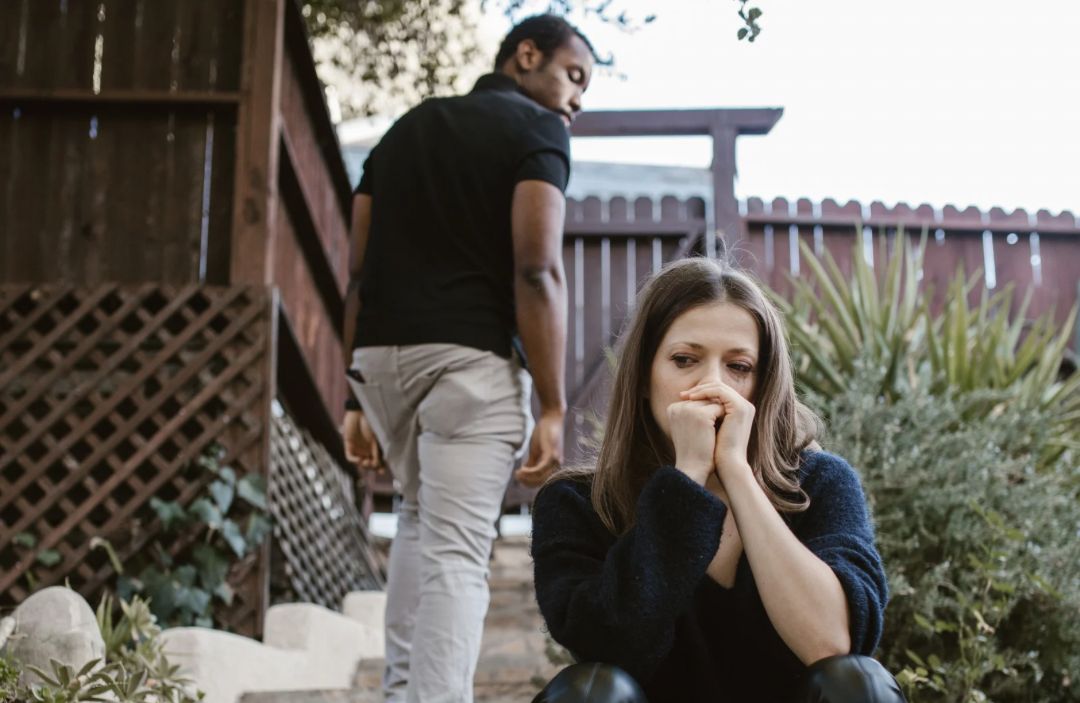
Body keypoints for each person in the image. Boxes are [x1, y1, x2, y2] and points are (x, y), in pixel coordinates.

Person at [339, 14, 597, 703]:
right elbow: (537, 269)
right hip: (470, 365)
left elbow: (357, 272)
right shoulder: (540, 131)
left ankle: (402, 693)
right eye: (574, 76)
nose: (576, 99)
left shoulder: (406, 129)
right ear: (526, 54)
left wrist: (349, 395)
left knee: (418, 519)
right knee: (456, 550)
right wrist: (553, 404)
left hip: (382, 362)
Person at [530, 258, 906, 702]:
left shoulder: (822, 483)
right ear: (645, 377)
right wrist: (686, 479)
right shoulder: (578, 502)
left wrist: (736, 470)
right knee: (588, 691)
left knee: (857, 681)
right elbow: (610, 648)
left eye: (739, 367)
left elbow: (831, 644)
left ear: (763, 386)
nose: (713, 385)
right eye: (685, 360)